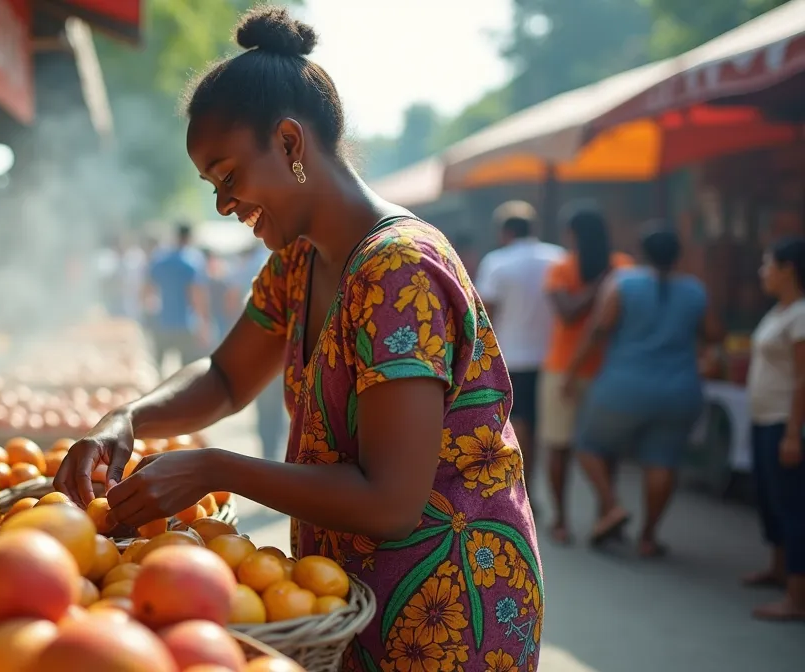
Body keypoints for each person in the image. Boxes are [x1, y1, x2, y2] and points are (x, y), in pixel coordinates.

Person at [56, 8, 543, 671]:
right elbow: (225, 378)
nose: (223, 206)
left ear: (289, 143)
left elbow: (392, 502)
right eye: (213, 187)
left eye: (228, 177)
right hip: (346, 598)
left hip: (446, 614)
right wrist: (127, 419)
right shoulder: (299, 261)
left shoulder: (398, 269)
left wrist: (214, 467)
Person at [564, 226, 717, 557]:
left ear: (642, 252)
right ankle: (648, 537)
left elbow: (599, 330)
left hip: (623, 386)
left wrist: (571, 372)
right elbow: (714, 334)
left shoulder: (623, 283)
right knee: (662, 461)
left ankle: (612, 505)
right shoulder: (695, 291)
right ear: (679, 255)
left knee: (588, 446)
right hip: (680, 390)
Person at [538, 203, 632, 544]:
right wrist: (603, 285)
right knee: (568, 446)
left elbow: (570, 313)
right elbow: (568, 315)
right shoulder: (618, 269)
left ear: (572, 235)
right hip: (592, 369)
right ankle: (573, 517)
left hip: (571, 369)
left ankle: (599, 515)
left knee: (586, 447)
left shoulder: (564, 269)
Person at [474, 201, 564, 514]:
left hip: (510, 357)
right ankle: (540, 496)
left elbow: (485, 314)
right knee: (547, 431)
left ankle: (521, 491)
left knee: (517, 428)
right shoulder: (558, 257)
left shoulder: (497, 262)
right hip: (553, 358)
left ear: (506, 231)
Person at [744, 237, 805, 621]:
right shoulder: (780, 311)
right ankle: (779, 568)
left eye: (768, 264)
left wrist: (792, 433)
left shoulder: (800, 314)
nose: (762, 272)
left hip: (784, 422)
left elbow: (803, 378)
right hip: (765, 418)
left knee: (792, 508)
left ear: (788, 269)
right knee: (772, 500)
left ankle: (796, 597)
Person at [229, 241, 288, 460]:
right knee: (278, 405)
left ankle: (268, 451)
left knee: (264, 403)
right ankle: (274, 453)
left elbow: (232, 297)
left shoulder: (250, 265)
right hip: (281, 349)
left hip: (257, 346)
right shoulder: (282, 261)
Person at [147, 223, 211, 372]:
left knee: (158, 368)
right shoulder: (192, 261)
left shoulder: (160, 260)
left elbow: (147, 291)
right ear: (189, 237)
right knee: (186, 370)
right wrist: (204, 323)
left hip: (161, 321)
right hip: (185, 323)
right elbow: (196, 294)